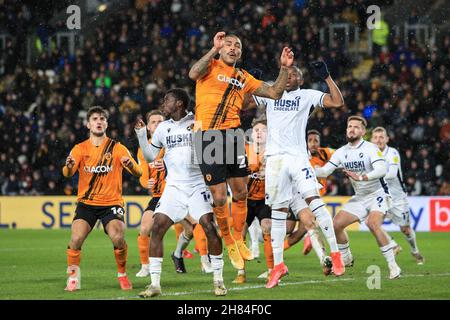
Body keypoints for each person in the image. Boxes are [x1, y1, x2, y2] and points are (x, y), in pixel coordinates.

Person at [188, 31, 294, 270]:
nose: (233, 48)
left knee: (241, 192)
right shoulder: (210, 66)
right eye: (228, 44)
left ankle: (237, 238)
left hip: (234, 135)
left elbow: (275, 93)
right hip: (208, 136)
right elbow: (192, 73)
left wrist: (284, 68)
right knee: (218, 197)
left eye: (237, 45)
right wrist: (213, 50)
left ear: (240, 52)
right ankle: (228, 241)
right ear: (220, 48)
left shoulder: (243, 77)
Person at [253, 62, 345, 288]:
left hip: (297, 157)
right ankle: (278, 266)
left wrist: (327, 77)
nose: (289, 77)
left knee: (315, 202)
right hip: (274, 159)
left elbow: (337, 101)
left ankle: (335, 254)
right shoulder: (270, 93)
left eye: (294, 75)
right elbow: (245, 103)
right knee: (277, 212)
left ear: (300, 81)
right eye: (286, 73)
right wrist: (252, 85)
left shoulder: (306, 95)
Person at [135, 88, 226, 297]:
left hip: (197, 184)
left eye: (167, 100)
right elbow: (150, 156)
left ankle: (218, 280)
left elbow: (215, 150)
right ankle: (155, 284)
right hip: (173, 187)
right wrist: (141, 135)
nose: (163, 103)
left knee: (209, 227)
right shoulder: (163, 128)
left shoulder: (199, 121)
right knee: (157, 227)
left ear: (179, 104)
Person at [63, 106, 142, 291]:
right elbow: (67, 173)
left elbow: (139, 172)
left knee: (118, 237)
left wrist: (130, 164)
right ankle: (73, 278)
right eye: (95, 119)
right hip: (87, 203)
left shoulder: (117, 148)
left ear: (106, 123)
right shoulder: (80, 148)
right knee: (75, 239)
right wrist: (68, 166)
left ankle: (122, 274)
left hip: (111, 204)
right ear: (88, 124)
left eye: (102, 119)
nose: (99, 121)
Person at [315, 116, 402, 279]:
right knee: (336, 224)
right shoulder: (341, 152)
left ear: (362, 131)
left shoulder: (370, 148)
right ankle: (346, 257)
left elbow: (382, 169)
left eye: (356, 127)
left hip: (378, 194)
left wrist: (361, 177)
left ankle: (393, 266)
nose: (352, 129)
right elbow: (325, 171)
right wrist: (309, 170)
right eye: (349, 126)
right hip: (360, 197)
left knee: (372, 223)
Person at [135, 111, 206, 276]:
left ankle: (186, 255)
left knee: (194, 226)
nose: (157, 124)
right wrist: (147, 183)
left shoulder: (174, 143)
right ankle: (145, 266)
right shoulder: (143, 150)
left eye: (160, 121)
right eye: (153, 122)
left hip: (178, 192)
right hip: (159, 197)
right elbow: (143, 177)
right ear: (148, 127)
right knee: (145, 227)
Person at [371, 126, 425, 264]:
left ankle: (415, 250)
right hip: (380, 197)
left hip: (397, 198)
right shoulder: (369, 154)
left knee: (405, 229)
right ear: (372, 139)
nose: (378, 140)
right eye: (376, 137)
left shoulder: (392, 153)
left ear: (387, 139)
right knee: (372, 222)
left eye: (381, 137)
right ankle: (393, 245)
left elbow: (392, 174)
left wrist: (369, 176)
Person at [302, 129, 336, 255]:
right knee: (296, 228)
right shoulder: (302, 155)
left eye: (316, 141)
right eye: (310, 141)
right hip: (302, 196)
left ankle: (308, 238)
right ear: (305, 142)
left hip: (318, 194)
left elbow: (339, 154)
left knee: (302, 228)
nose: (313, 143)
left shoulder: (324, 153)